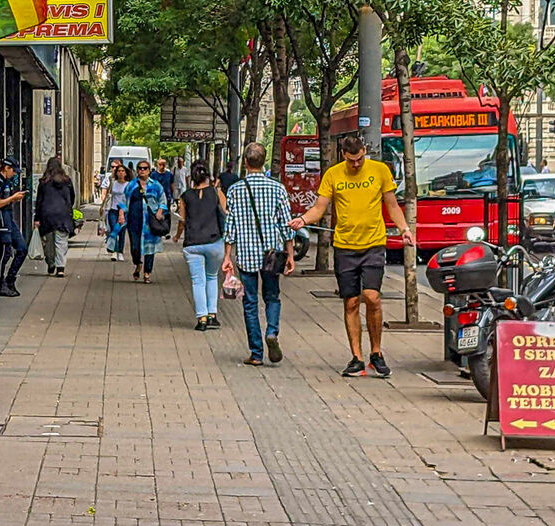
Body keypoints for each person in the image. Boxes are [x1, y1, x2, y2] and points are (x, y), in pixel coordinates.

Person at [289, 134, 416, 379]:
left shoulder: (379, 171)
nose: (356, 164)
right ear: (343, 156)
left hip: (373, 244)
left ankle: (376, 352)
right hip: (345, 247)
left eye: (359, 159)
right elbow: (319, 207)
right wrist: (303, 220)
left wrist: (404, 229)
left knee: (372, 297)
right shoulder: (333, 175)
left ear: (364, 151)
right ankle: (357, 357)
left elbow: (391, 204)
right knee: (351, 302)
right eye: (352, 160)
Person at [223, 142, 296, 365]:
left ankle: (256, 353)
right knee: (272, 297)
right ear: (263, 162)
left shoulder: (235, 189)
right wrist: (290, 254)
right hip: (271, 254)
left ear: (245, 163)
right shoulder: (278, 188)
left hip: (246, 255)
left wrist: (227, 256)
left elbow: (230, 226)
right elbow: (286, 225)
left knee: (250, 303)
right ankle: (272, 332)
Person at [175, 159, 227, 331]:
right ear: (208, 175)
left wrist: (177, 236)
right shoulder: (216, 192)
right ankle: (213, 315)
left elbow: (182, 221)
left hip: (192, 244)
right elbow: (226, 214)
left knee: (198, 281)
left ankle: (202, 318)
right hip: (214, 242)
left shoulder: (185, 196)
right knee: (212, 277)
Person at [123, 159, 168, 283]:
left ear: (149, 171)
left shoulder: (156, 185)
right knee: (135, 248)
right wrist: (122, 215)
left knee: (150, 248)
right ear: (137, 171)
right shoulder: (131, 185)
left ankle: (147, 273)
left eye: (145, 168)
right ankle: (138, 263)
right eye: (140, 168)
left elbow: (163, 201)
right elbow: (123, 201)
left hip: (150, 222)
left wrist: (160, 210)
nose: (142, 170)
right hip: (134, 221)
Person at [0, 158, 29, 296]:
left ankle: (10, 279)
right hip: (1, 218)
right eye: (13, 170)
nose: (14, 174)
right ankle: (0, 284)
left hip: (9, 218)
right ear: (6, 168)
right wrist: (13, 198)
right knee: (5, 252)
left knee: (22, 248)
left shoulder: (6, 181)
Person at [35, 156, 76, 277]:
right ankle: (60, 267)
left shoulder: (43, 182)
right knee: (61, 241)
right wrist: (68, 209)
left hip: (47, 215)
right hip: (62, 215)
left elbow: (39, 201)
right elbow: (72, 197)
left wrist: (37, 218)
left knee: (49, 241)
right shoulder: (67, 181)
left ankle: (51, 262)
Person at [106, 163, 129, 261]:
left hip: (124, 210)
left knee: (122, 231)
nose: (120, 173)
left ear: (125, 173)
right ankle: (114, 251)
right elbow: (108, 194)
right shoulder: (113, 182)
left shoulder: (128, 185)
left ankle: (120, 252)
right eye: (119, 171)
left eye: (122, 171)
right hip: (113, 209)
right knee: (113, 230)